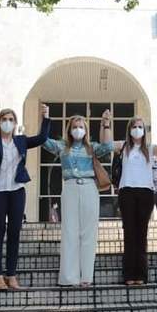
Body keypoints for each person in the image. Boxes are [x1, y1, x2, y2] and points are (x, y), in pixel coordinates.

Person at [0, 104, 50, 291]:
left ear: (15, 123)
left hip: (17, 190)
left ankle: (11, 275)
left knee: (15, 231)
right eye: (4, 119)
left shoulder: (20, 141)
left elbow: (42, 138)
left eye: (11, 120)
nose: (7, 123)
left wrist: (46, 117)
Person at [43, 110, 113, 287]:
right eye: (74, 126)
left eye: (81, 127)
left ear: (86, 130)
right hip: (70, 188)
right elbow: (43, 141)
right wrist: (45, 118)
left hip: (90, 187)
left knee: (89, 233)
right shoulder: (61, 146)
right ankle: (68, 277)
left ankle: (86, 277)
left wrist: (105, 123)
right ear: (69, 129)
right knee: (70, 232)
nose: (78, 129)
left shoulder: (92, 147)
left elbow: (108, 146)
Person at [113, 117, 157, 285]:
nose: (137, 129)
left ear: (144, 130)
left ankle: (141, 275)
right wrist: (106, 123)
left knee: (141, 234)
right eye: (134, 126)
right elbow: (106, 143)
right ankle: (129, 275)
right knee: (129, 233)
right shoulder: (123, 147)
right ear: (129, 129)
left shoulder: (149, 149)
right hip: (126, 191)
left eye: (140, 126)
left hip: (146, 192)